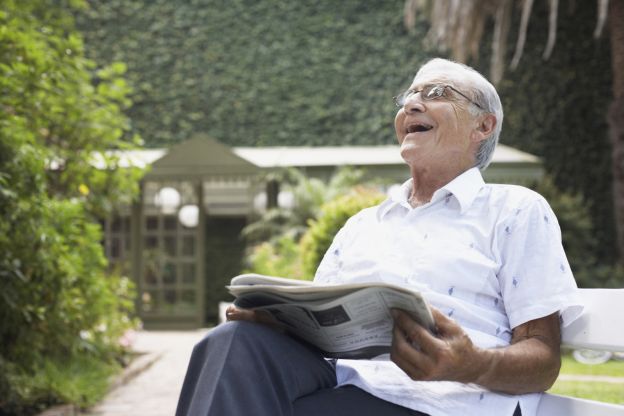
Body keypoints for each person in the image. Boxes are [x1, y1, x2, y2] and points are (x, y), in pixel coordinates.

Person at [175, 58, 583, 416]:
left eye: (436, 92)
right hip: (346, 387)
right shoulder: (362, 225)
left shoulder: (514, 209)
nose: (412, 104)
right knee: (235, 341)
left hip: (444, 402)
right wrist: (279, 321)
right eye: (408, 96)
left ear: (483, 125)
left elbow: (543, 358)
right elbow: (319, 329)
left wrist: (470, 363)